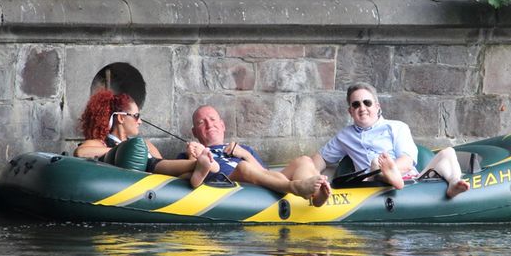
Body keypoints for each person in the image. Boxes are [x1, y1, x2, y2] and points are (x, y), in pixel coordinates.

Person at [311, 82, 470, 198]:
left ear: (377, 107)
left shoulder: (397, 127)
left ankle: (454, 183)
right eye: (356, 104)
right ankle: (384, 173)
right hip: (371, 184)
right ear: (350, 111)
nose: (362, 108)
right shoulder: (344, 136)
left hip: (411, 181)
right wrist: (312, 177)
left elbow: (407, 161)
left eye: (367, 103)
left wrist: (391, 168)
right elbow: (321, 158)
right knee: (376, 162)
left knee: (448, 152)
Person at [182, 105, 331, 207]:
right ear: (195, 132)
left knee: (304, 160)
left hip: (260, 182)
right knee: (243, 167)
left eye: (213, 120)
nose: (209, 125)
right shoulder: (189, 153)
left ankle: (316, 197)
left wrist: (245, 154)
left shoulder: (243, 149)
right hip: (229, 184)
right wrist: (194, 154)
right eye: (201, 123)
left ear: (222, 125)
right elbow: (188, 176)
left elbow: (265, 173)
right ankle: (295, 187)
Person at [74, 89, 217, 187]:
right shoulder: (102, 142)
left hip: (155, 179)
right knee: (147, 158)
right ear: (121, 118)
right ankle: (198, 165)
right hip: (133, 182)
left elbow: (164, 167)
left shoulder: (145, 144)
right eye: (136, 116)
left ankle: (196, 166)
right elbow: (80, 152)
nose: (140, 121)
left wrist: (191, 153)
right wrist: (122, 150)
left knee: (168, 168)